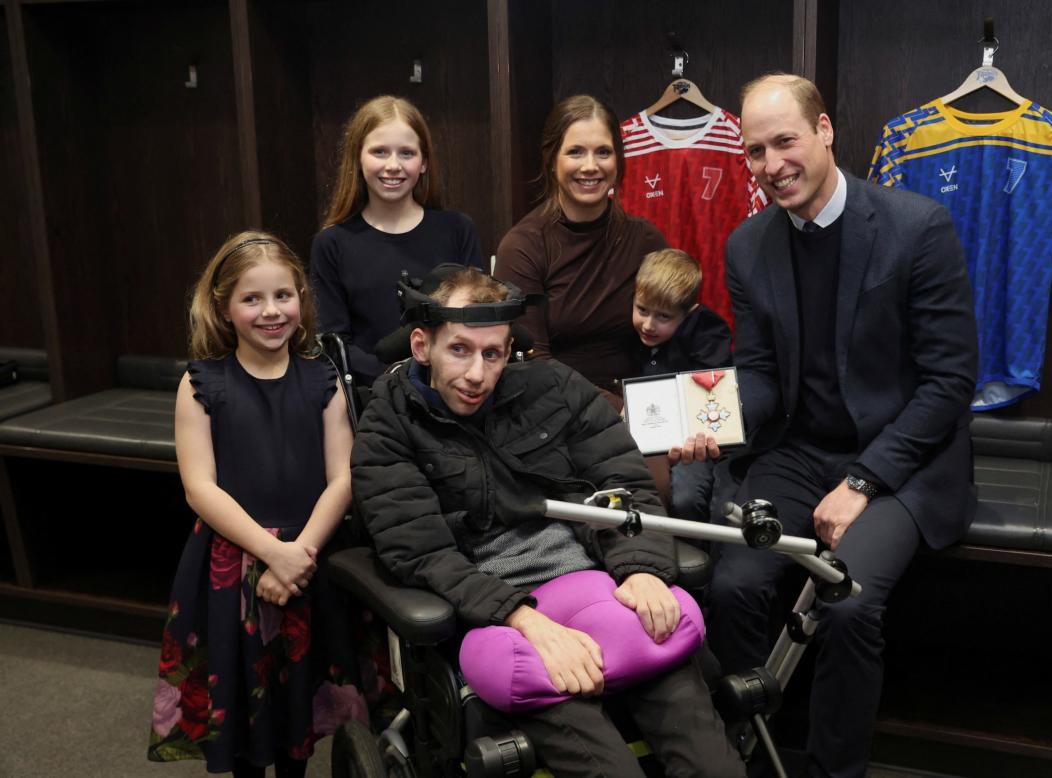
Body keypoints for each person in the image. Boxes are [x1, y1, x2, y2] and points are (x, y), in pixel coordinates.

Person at [683, 73, 978, 778]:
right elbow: (757, 375)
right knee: (732, 587)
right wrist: (708, 422)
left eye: (783, 141)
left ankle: (834, 770)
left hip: (902, 457)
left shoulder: (915, 226)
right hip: (796, 448)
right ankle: (745, 757)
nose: (770, 164)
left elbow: (948, 384)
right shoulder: (747, 245)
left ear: (823, 132)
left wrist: (863, 480)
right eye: (754, 151)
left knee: (845, 603)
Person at [350, 265, 744, 778]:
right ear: (422, 346)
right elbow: (420, 553)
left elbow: (628, 486)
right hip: (497, 615)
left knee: (715, 766)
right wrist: (524, 618)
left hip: (600, 584)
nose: (477, 374)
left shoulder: (552, 388)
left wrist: (642, 568)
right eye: (460, 350)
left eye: (492, 354)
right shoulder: (389, 425)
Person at [149, 232, 365, 776]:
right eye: (252, 299)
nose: (271, 311)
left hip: (308, 559)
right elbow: (200, 489)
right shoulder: (202, 383)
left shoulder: (323, 378)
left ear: (301, 300)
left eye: (283, 296)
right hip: (232, 569)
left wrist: (299, 554)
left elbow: (342, 478)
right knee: (245, 711)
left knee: (299, 713)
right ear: (224, 306)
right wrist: (273, 554)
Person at [494, 95, 667, 408]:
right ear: (551, 159)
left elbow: (677, 340)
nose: (591, 166)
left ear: (619, 159)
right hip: (555, 415)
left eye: (603, 152)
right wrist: (616, 413)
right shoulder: (522, 248)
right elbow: (532, 367)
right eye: (575, 152)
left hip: (642, 410)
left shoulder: (646, 241)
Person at [311, 95, 484, 386]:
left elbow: (478, 321)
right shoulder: (332, 244)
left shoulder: (457, 229)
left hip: (452, 391)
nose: (393, 165)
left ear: (424, 162)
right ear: (358, 158)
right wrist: (396, 377)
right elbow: (334, 344)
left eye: (406, 153)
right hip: (371, 397)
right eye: (379, 152)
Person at [630, 248, 732, 521]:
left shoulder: (708, 337)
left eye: (664, 317)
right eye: (642, 310)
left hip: (692, 439)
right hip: (644, 438)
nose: (648, 325)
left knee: (686, 497)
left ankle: (697, 555)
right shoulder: (628, 334)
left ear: (689, 314)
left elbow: (713, 400)